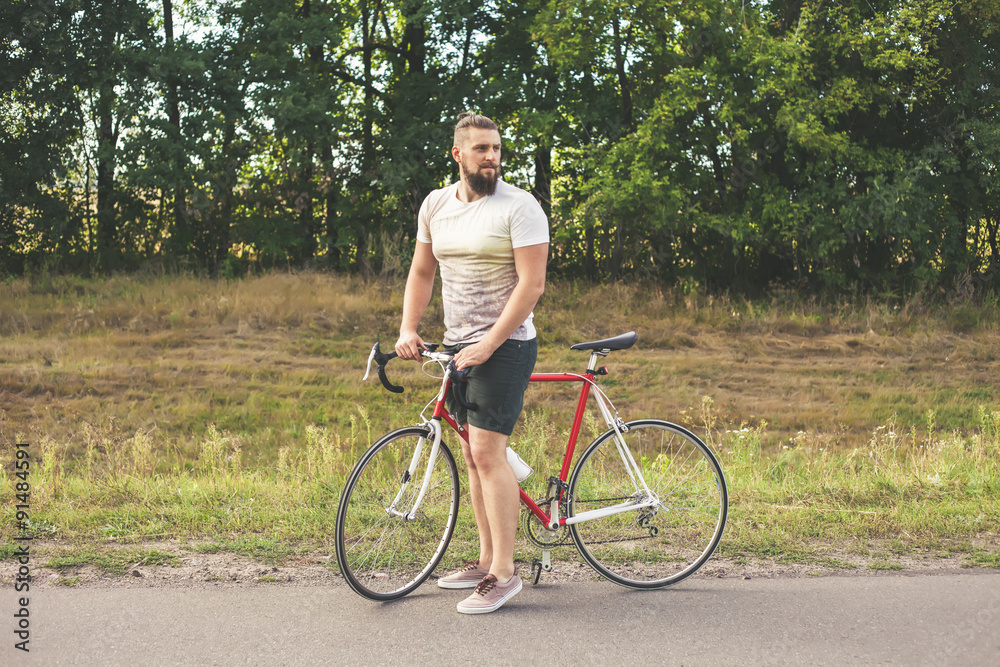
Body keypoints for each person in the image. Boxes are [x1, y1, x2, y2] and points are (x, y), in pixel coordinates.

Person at [394, 112, 549, 614]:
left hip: (507, 345)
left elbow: (532, 285)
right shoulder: (436, 205)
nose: (492, 157)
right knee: (471, 455)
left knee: (487, 452)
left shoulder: (520, 207)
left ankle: (505, 574)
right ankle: (485, 560)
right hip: (459, 345)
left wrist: (488, 344)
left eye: (497, 149)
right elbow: (422, 271)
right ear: (458, 154)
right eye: (481, 149)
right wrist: (409, 329)